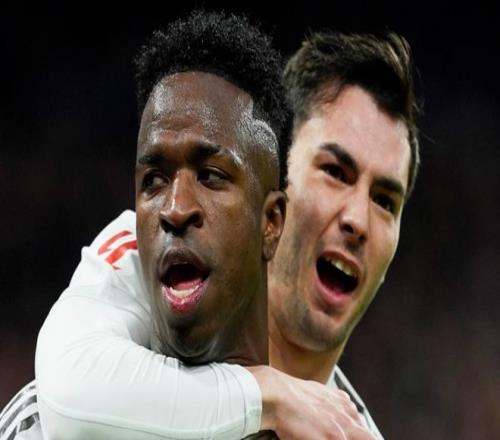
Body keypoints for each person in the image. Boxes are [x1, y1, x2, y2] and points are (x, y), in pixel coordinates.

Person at [0, 24, 420, 440]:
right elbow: (71, 394)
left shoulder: (352, 433)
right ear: (276, 177)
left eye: (385, 201)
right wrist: (269, 396)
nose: (357, 220)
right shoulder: (146, 255)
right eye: (335, 172)